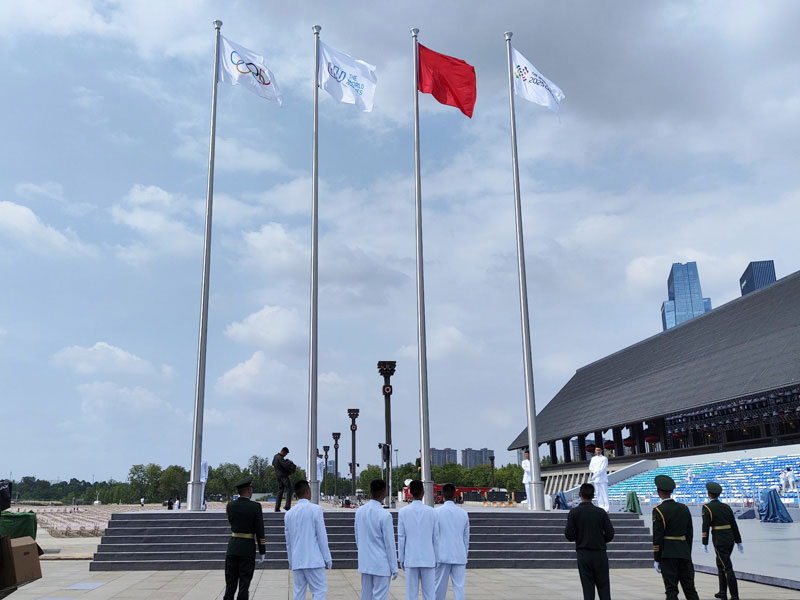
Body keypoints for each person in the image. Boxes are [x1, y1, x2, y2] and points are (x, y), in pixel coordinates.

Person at [653, 474, 699, 600]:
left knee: (671, 590)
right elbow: (689, 533)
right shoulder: (684, 508)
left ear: (658, 492)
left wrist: (657, 558)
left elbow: (658, 537)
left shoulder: (659, 511)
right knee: (690, 589)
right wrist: (687, 551)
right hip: (684, 552)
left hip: (668, 554)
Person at [565, 483, 615, 600]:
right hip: (599, 552)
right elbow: (610, 534)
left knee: (588, 589)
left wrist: (579, 537)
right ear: (593, 496)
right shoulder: (601, 512)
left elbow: (569, 535)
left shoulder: (574, 513)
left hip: (583, 553)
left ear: (580, 495)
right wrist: (600, 539)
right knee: (604, 588)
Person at [284, 480, 332, 600]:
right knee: (319, 591)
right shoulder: (316, 509)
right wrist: (327, 558)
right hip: (313, 559)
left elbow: (288, 542)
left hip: (297, 559)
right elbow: (322, 536)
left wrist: (291, 560)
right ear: (307, 491)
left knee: (298, 593)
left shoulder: (289, 514)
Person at [355, 479, 399, 600]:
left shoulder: (359, 512)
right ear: (384, 492)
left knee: (366, 596)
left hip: (366, 563)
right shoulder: (385, 515)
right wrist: (394, 567)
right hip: (381, 564)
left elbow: (358, 537)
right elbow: (389, 544)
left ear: (371, 491)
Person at [224, 477, 266, 600]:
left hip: (233, 548)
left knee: (230, 585)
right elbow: (260, 530)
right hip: (247, 549)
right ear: (249, 490)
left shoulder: (230, 506)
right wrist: (262, 551)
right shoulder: (255, 506)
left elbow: (231, 522)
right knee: (244, 584)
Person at [398, 480, 439, 600]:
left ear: (410, 492)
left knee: (411, 594)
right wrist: (437, 558)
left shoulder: (403, 512)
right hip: (428, 557)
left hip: (411, 557)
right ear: (423, 492)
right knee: (429, 594)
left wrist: (401, 558)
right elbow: (436, 537)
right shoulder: (432, 512)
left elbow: (401, 537)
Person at [702, 481, 743, 600]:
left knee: (727, 567)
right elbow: (734, 524)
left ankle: (734, 595)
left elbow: (705, 526)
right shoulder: (726, 507)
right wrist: (738, 541)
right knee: (721, 564)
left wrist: (705, 542)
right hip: (730, 539)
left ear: (709, 494)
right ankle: (722, 592)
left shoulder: (707, 508)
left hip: (719, 540)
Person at [434, 483, 469, 600]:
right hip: (459, 553)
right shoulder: (463, 513)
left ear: (442, 495)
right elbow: (466, 537)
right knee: (459, 587)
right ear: (454, 495)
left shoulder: (436, 512)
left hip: (442, 554)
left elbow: (435, 536)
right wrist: (465, 553)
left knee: (438, 588)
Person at [273, 447, 296, 512]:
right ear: (283, 451)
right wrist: (289, 462)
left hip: (278, 476)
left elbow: (273, 463)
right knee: (289, 489)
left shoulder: (275, 457)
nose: (285, 455)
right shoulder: (279, 458)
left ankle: (277, 507)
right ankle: (287, 506)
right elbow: (285, 465)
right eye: (285, 454)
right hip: (283, 476)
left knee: (280, 491)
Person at [588, 447, 609, 511]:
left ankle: (606, 507)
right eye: (597, 450)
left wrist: (596, 473)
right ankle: (601, 506)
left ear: (601, 451)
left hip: (602, 478)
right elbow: (591, 467)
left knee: (604, 493)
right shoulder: (593, 459)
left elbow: (603, 469)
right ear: (595, 451)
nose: (598, 451)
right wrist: (595, 472)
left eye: (599, 450)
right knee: (598, 494)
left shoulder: (604, 459)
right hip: (596, 479)